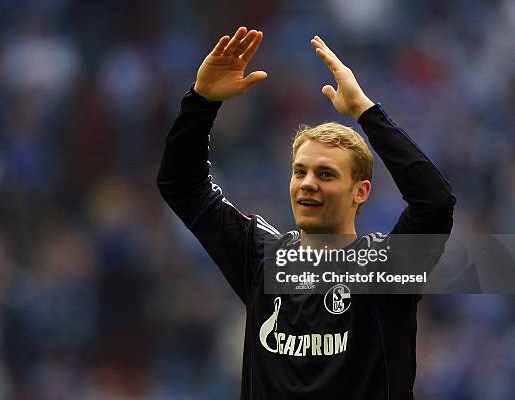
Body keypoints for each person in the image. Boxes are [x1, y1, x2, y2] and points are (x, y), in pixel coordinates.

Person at [157, 26, 455, 399]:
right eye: (300, 171)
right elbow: (181, 186)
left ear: (360, 192)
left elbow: (435, 203)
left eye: (326, 174)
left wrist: (365, 110)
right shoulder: (260, 257)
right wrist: (200, 102)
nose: (308, 183)